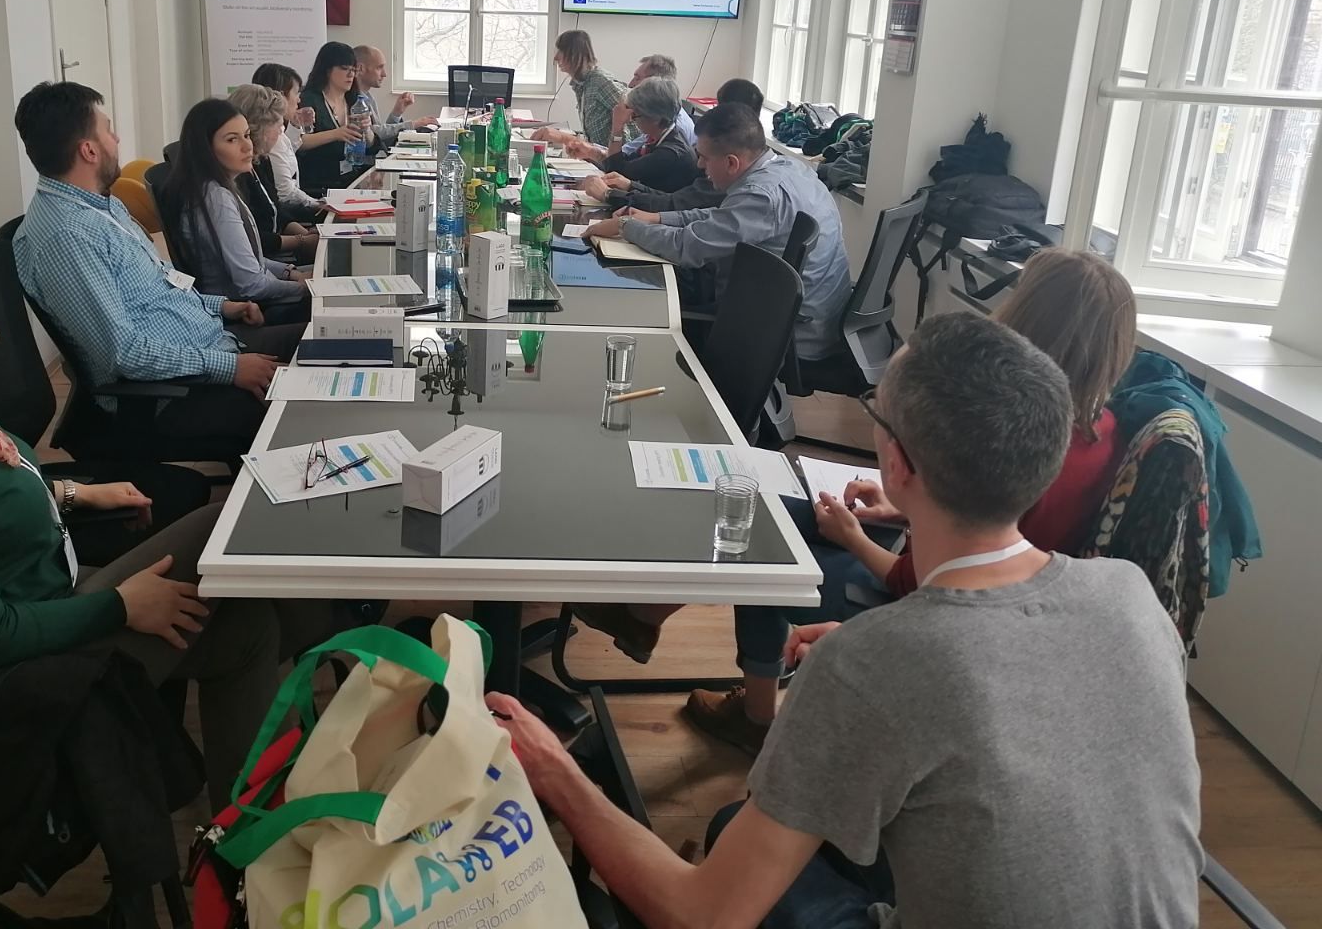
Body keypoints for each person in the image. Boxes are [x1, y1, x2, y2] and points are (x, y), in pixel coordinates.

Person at [489, 313, 1203, 929]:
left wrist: (553, 771)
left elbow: (701, 915)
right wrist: (876, 657)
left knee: (732, 835)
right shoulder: (1130, 594)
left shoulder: (871, 667)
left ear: (898, 463)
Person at [0, 218, 331, 800]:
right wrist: (119, 605)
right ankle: (349, 628)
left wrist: (75, 493)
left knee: (246, 626)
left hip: (47, 592)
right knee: (222, 531)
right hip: (14, 664)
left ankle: (252, 823)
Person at [682, 246, 1141, 752]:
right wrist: (903, 508)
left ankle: (756, 717)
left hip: (931, 605)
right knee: (774, 514)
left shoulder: (1008, 428)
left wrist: (854, 539)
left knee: (767, 551)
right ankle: (656, 623)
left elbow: (932, 582)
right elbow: (989, 522)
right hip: (977, 588)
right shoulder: (1103, 433)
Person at [11, 81, 295, 445]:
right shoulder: (67, 236)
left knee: (324, 344)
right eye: (109, 130)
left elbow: (160, 286)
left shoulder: (100, 205)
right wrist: (231, 367)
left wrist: (221, 305)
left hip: (212, 344)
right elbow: (123, 353)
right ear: (89, 150)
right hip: (174, 394)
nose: (117, 139)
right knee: (310, 400)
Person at [582, 103, 851, 357]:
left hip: (790, 337)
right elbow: (721, 217)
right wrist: (657, 218)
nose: (699, 165)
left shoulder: (762, 196)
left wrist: (625, 226)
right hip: (801, 316)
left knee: (640, 304)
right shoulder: (787, 168)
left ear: (732, 163)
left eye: (704, 158)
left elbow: (686, 247)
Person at [157, 93, 310, 325]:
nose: (247, 145)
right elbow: (251, 285)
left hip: (260, 296)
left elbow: (252, 260)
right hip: (248, 311)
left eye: (246, 135)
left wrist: (290, 272)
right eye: (232, 140)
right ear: (206, 149)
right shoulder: (215, 199)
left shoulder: (217, 187)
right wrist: (306, 288)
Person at [583, 77, 764, 210]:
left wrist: (610, 194)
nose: (699, 164)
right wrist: (630, 185)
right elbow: (675, 199)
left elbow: (674, 204)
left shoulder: (671, 153)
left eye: (635, 115)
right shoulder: (659, 139)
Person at [227, 83, 319, 264]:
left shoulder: (261, 161)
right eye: (278, 126)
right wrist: (301, 241)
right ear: (259, 127)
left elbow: (277, 209)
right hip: (270, 260)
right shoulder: (236, 176)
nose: (280, 132)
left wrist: (306, 235)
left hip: (280, 252)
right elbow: (254, 238)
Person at [566, 76, 697, 193]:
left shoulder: (669, 153)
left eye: (635, 115)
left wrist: (617, 127)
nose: (630, 120)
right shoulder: (661, 135)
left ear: (655, 118)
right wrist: (591, 153)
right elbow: (625, 161)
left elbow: (617, 172)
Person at [251, 62, 327, 223]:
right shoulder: (270, 138)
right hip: (288, 215)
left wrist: (295, 125)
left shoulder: (277, 132)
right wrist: (318, 204)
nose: (299, 99)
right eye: (296, 93)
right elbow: (286, 193)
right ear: (280, 96)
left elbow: (287, 151)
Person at [296, 41, 369, 194]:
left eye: (353, 70)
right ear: (327, 69)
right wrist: (335, 134)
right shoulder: (308, 100)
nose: (351, 75)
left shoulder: (355, 100)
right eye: (344, 69)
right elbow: (299, 142)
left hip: (352, 178)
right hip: (318, 181)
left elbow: (373, 143)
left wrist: (367, 129)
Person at [550, 29, 627, 148]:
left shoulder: (600, 81)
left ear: (575, 55)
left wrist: (630, 155)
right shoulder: (581, 84)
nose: (556, 57)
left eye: (561, 51)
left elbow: (630, 117)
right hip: (598, 153)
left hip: (614, 156)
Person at [352, 44, 437, 140]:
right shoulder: (353, 101)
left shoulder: (368, 97)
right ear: (361, 68)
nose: (384, 74)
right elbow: (372, 133)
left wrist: (397, 112)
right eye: (379, 68)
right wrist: (413, 124)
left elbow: (380, 138)